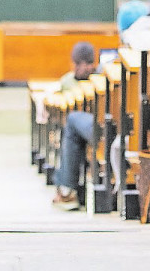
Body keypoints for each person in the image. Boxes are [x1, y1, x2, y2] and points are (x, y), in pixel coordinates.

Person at [51, 41, 98, 210]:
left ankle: (66, 190)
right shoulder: (103, 77)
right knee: (71, 132)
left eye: (88, 63)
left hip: (99, 130)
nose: (84, 68)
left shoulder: (100, 79)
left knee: (70, 125)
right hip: (99, 129)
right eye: (80, 64)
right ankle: (66, 189)